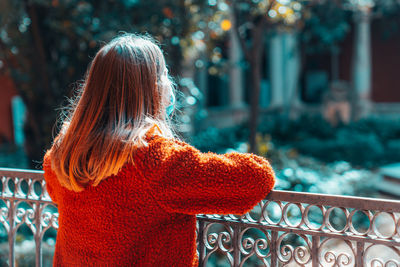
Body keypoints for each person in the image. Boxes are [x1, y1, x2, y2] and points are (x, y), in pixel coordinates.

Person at [43, 33, 275, 266]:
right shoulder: (154, 162)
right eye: (164, 75)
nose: (169, 84)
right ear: (152, 88)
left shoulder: (61, 157)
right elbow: (256, 178)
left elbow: (56, 193)